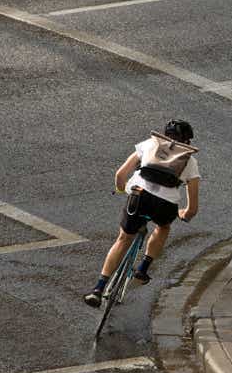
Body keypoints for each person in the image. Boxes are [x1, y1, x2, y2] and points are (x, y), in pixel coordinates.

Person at [84, 119, 200, 308]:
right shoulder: (190, 161)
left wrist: (121, 190)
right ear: (187, 141)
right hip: (166, 205)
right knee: (163, 227)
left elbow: (120, 175)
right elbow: (192, 207)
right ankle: (143, 269)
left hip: (139, 197)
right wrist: (185, 214)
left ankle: (98, 288)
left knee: (123, 239)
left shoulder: (150, 144)